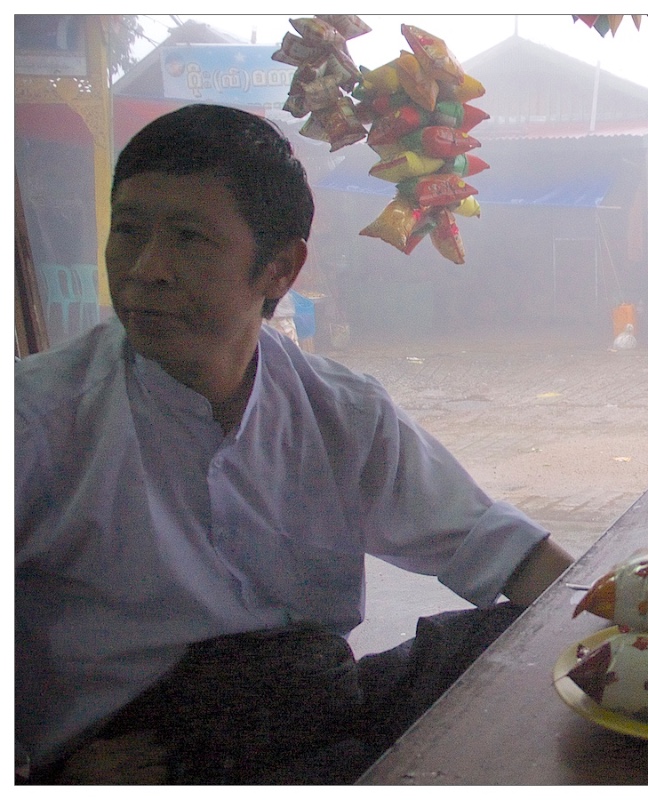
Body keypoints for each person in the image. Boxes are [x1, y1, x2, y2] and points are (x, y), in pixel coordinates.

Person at [14, 103, 574, 784]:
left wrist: (631, 620)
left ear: (279, 269)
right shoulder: (35, 422)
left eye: (188, 238)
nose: (146, 268)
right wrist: (43, 777)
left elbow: (504, 551)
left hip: (313, 711)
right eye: (128, 231)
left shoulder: (341, 412)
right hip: (142, 755)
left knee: (529, 641)